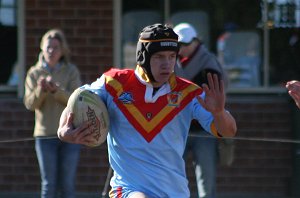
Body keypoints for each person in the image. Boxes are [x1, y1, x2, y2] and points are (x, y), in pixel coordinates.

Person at [57, 23, 237, 198]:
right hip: (128, 189)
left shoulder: (188, 93)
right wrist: (63, 130)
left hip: (175, 191)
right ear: (143, 56)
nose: (167, 64)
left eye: (171, 56)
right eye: (159, 57)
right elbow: (78, 97)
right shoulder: (114, 83)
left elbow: (228, 131)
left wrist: (219, 113)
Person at [23, 29, 82, 198]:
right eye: (48, 47)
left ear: (62, 50)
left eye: (55, 47)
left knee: (68, 186)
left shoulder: (71, 71)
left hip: (70, 134)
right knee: (48, 185)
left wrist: (57, 91)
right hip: (44, 136)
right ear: (42, 48)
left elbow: (77, 100)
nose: (51, 51)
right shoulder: (34, 73)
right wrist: (40, 90)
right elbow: (29, 104)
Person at [173, 22, 228, 198]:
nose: (181, 48)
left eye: (185, 44)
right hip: (178, 129)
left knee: (206, 181)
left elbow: (217, 95)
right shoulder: (171, 61)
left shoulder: (209, 63)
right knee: (171, 177)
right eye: (178, 44)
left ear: (196, 42)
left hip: (204, 129)